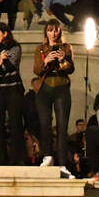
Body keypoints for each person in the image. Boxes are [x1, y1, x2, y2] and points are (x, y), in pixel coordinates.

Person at [33, 18, 75, 173]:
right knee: (45, 123)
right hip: (44, 88)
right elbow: (36, 70)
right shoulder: (40, 48)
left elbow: (71, 69)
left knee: (62, 126)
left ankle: (62, 163)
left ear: (60, 31)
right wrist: (46, 61)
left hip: (61, 88)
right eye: (50, 30)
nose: (53, 33)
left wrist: (63, 60)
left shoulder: (66, 47)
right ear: (46, 32)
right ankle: (47, 156)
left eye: (56, 30)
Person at [0, 23, 26, 165]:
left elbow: (10, 65)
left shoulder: (15, 47)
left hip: (13, 90)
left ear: (5, 33)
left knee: (16, 124)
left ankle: (18, 158)